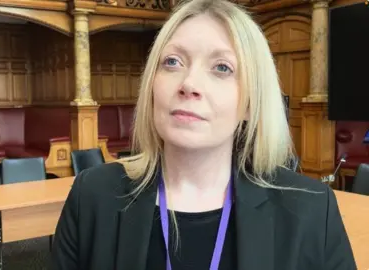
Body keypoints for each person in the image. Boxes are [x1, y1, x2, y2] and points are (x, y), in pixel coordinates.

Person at [50, 0, 357, 269]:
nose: (189, 83)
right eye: (172, 62)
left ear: (251, 102)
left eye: (222, 67)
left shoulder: (313, 211)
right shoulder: (91, 197)